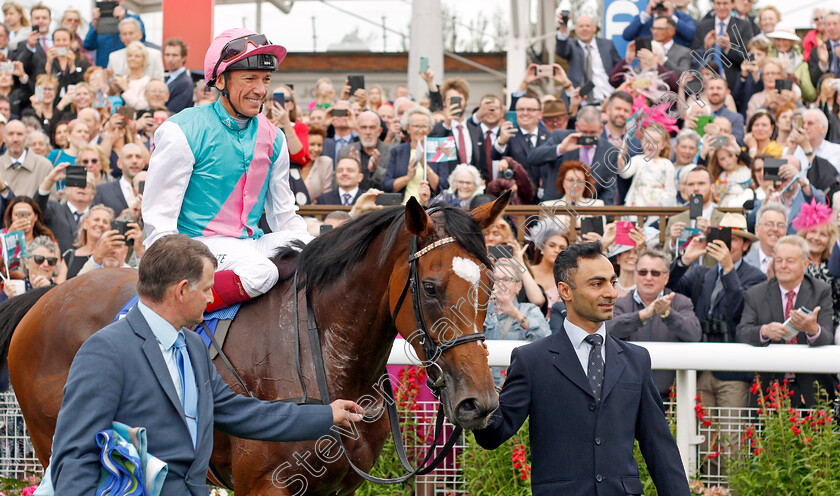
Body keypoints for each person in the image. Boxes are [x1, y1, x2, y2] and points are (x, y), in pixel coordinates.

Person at [47, 234, 364, 496]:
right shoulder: (105, 351)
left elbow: (240, 413)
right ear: (182, 291)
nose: (212, 297)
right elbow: (74, 457)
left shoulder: (194, 347)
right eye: (207, 288)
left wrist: (325, 415)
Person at [473, 241, 691, 495]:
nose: (611, 292)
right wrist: (477, 385)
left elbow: (660, 449)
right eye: (597, 284)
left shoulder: (637, 360)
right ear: (565, 291)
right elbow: (494, 434)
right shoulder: (532, 360)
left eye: (613, 282)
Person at [142, 29, 318, 313]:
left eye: (265, 79)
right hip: (196, 245)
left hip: (249, 244)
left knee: (315, 252)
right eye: (249, 79)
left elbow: (283, 215)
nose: (261, 90)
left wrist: (311, 250)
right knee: (262, 273)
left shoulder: (275, 137)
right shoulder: (181, 131)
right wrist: (169, 273)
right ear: (220, 80)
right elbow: (158, 221)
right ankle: (183, 310)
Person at [668, 213, 765, 419]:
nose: (728, 245)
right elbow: (670, 287)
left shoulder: (756, 277)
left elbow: (739, 308)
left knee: (732, 439)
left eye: (734, 239)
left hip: (733, 370)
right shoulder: (703, 273)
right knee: (703, 440)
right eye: (723, 238)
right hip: (701, 367)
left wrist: (729, 268)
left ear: (746, 246)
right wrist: (685, 259)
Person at [736, 235, 835, 408]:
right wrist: (764, 332)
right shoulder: (756, 294)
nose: (783, 266)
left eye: (790, 261)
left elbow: (827, 336)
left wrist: (813, 329)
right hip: (770, 388)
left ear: (805, 264)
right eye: (779, 260)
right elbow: (742, 332)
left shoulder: (821, 291)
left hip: (812, 387)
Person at [608, 248, 701, 399]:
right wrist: (642, 316)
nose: (648, 277)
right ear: (636, 275)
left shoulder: (681, 303)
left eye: (655, 273)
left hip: (670, 398)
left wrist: (668, 314)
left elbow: (694, 333)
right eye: (643, 272)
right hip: (628, 394)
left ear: (666, 277)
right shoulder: (620, 304)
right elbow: (607, 329)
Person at [484, 257, 551, 387]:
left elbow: (545, 339)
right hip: (485, 387)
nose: (500, 284)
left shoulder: (530, 310)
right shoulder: (480, 312)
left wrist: (515, 313)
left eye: (506, 280)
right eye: (496, 279)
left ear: (518, 286)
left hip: (519, 385)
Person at [382, 105, 447, 201]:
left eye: (424, 126)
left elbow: (444, 186)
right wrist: (408, 177)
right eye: (416, 126)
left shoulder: (438, 150)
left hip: (430, 208)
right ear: (408, 128)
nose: (420, 130)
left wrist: (426, 167)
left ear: (429, 129)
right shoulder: (397, 151)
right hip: (402, 208)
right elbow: (387, 185)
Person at [555, 14, 622, 105]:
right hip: (582, 103)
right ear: (576, 30)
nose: (584, 29)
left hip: (608, 100)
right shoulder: (572, 46)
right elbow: (561, 51)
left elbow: (620, 69)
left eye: (587, 26)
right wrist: (563, 27)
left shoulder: (607, 45)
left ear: (594, 28)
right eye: (581, 26)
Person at [793, 200, 840, 327]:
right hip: (798, 322)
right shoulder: (794, 261)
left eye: (823, 235)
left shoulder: (833, 265)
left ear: (829, 239)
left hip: (830, 323)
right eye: (813, 231)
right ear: (804, 234)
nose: (817, 238)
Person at [691, 0, 755, 90]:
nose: (721, 7)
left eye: (725, 3)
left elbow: (746, 57)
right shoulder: (702, 26)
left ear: (732, 4)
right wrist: (707, 48)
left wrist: (728, 47)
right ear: (713, 4)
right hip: (706, 85)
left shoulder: (744, 26)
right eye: (718, 3)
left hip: (733, 84)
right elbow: (693, 57)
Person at [33, 165, 96, 254]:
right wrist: (49, 180)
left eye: (86, 184)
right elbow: (36, 208)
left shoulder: (98, 217)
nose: (82, 187)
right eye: (76, 183)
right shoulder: (55, 210)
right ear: (67, 189)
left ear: (93, 193)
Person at [618, 127, 677, 207]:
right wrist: (621, 165)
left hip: (658, 208)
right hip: (637, 204)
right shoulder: (637, 159)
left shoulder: (667, 164)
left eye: (655, 142)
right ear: (642, 142)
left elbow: (670, 189)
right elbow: (625, 174)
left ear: (663, 145)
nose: (650, 145)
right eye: (647, 141)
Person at [336, 110, 393, 190]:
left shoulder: (392, 151)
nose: (368, 132)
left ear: (379, 131)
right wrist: (352, 166)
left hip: (382, 199)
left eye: (372, 128)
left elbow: (392, 183)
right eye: (363, 127)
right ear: (357, 131)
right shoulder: (345, 152)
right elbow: (337, 183)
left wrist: (375, 170)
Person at [82, 0, 145, 68]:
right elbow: (87, 45)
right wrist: (94, 26)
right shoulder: (97, 22)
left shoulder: (134, 19)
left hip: (128, 66)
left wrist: (124, 18)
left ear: (121, 1)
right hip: (105, 68)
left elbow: (141, 39)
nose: (109, 1)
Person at [0, 120, 52, 197]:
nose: (15, 139)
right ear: (3, 138)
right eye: (10, 134)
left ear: (26, 138)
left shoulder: (44, 166)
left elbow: (51, 201)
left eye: (19, 134)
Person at [93, 142, 147, 217]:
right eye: (129, 157)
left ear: (144, 163)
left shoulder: (152, 191)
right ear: (119, 163)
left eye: (138, 157)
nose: (134, 161)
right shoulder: (103, 191)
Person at [0, 235, 58, 302]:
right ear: (27, 263)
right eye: (39, 259)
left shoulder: (60, 291)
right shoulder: (12, 290)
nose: (46, 264)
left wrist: (48, 292)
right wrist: (11, 300)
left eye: (51, 260)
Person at [62, 204, 113, 278]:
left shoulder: (113, 256)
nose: (100, 224)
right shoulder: (69, 256)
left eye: (105, 222)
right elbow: (59, 287)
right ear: (85, 224)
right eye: (96, 220)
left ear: (110, 228)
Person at [621, 0, 696, 48]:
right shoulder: (644, 18)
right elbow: (627, 35)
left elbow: (692, 36)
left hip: (673, 62)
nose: (660, 4)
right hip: (647, 60)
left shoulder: (681, 17)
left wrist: (672, 17)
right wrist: (646, 13)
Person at [114, 41, 152, 109]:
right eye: (130, 55)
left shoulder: (147, 81)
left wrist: (126, 88)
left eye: (137, 56)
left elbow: (140, 106)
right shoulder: (122, 78)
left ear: (144, 60)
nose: (132, 58)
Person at [808, 11, 840, 86]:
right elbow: (814, 81)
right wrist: (823, 64)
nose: (832, 28)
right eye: (828, 24)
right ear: (825, 27)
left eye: (835, 24)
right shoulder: (817, 50)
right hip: (827, 90)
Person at [162, 37, 194, 114]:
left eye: (174, 55)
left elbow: (174, 113)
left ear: (183, 58)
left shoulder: (185, 83)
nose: (170, 59)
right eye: (167, 55)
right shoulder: (167, 78)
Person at [302, 124, 333, 199]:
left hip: (316, 209)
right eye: (312, 144)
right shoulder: (291, 163)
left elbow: (327, 194)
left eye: (319, 145)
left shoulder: (325, 163)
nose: (316, 149)